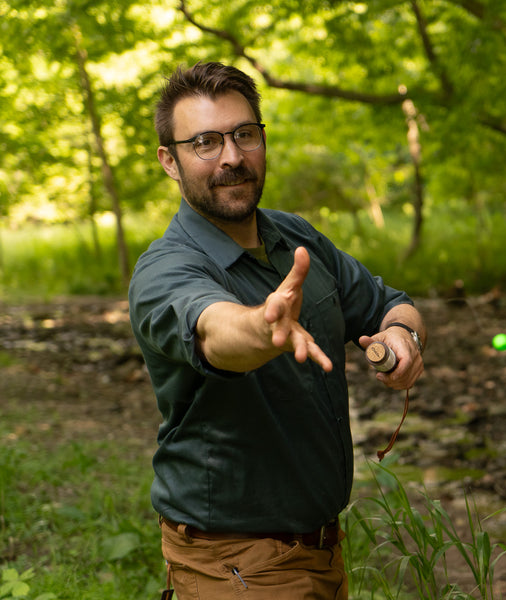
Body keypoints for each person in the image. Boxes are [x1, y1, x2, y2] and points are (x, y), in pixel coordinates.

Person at [128, 61, 426, 600]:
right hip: (234, 561)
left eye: (245, 135)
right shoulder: (163, 269)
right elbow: (217, 332)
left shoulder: (295, 236)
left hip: (320, 550)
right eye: (205, 143)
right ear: (169, 161)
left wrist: (403, 336)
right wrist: (263, 328)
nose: (232, 157)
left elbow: (388, 303)